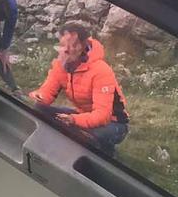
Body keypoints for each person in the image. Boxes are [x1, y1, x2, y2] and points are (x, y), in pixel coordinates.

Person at [29, 21, 130, 156]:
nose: (67, 49)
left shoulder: (101, 70)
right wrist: (39, 96)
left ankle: (106, 153)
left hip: (114, 123)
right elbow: (47, 92)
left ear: (83, 46)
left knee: (83, 136)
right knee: (39, 109)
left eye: (73, 45)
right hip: (83, 114)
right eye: (63, 44)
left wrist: (74, 120)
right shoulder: (62, 64)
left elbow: (103, 115)